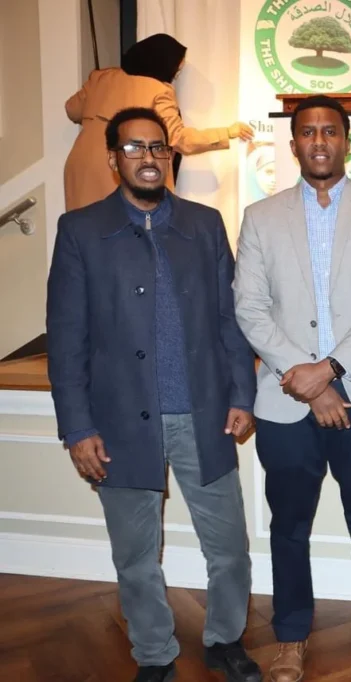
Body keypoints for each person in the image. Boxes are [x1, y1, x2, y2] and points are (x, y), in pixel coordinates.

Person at [46, 107, 260, 682]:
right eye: (134, 147)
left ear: (170, 155)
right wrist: (78, 428)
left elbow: (230, 319)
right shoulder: (80, 231)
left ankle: (224, 640)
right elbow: (66, 339)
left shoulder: (205, 225)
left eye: (158, 147)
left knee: (229, 547)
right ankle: (154, 654)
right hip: (118, 423)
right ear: (112, 158)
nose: (148, 157)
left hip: (204, 415)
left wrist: (242, 394)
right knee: (135, 557)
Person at [232, 95, 351, 682]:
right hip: (285, 401)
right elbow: (250, 308)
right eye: (307, 132)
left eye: (329, 131)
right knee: (288, 526)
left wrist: (330, 369)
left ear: (346, 141)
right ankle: (290, 637)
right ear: (293, 146)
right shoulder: (261, 217)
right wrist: (307, 380)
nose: (319, 141)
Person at [63, 33, 254, 211]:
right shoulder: (158, 90)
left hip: (81, 168)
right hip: (124, 170)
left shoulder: (101, 78)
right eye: (176, 70)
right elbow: (180, 139)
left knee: (83, 228)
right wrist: (227, 132)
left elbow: (72, 110)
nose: (175, 76)